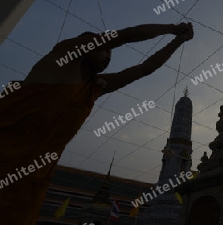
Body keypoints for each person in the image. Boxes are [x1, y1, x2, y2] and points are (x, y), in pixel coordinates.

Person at [0, 22, 193, 224]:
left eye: (111, 54)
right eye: (105, 50)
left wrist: (178, 41)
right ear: (87, 45)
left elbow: (144, 69)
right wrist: (172, 28)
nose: (109, 57)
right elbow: (128, 34)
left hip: (33, 181)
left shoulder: (93, 88)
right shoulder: (61, 58)